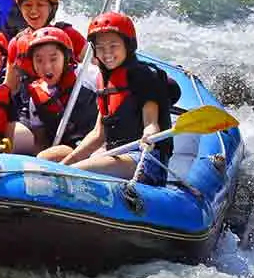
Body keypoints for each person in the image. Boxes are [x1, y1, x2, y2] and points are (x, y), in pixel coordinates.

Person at [60, 12, 181, 184]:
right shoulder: (103, 80)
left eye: (113, 46)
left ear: (128, 45)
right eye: (100, 47)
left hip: (145, 159)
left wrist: (149, 136)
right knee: (57, 160)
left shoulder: (143, 76)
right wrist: (65, 163)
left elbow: (151, 122)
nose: (106, 53)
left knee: (76, 171)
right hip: (115, 153)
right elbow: (97, 134)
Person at [23, 27, 97, 161]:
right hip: (67, 150)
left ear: (66, 58)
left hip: (97, 146)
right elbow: (40, 140)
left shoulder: (89, 75)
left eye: (53, 59)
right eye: (39, 60)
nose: (46, 67)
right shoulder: (36, 97)